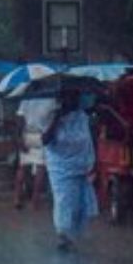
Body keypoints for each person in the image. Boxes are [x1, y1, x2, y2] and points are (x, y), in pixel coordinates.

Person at [42, 90, 98, 252]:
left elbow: (89, 139)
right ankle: (62, 234)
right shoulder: (52, 116)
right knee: (64, 199)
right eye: (69, 98)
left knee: (80, 203)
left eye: (75, 98)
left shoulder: (82, 117)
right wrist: (57, 119)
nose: (72, 102)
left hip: (80, 165)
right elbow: (45, 140)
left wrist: (93, 161)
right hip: (60, 167)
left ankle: (74, 235)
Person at [13, 97, 55, 210]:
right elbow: (54, 121)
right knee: (40, 168)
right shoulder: (52, 100)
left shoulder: (26, 99)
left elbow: (19, 119)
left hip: (27, 134)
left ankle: (17, 197)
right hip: (41, 136)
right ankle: (34, 201)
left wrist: (19, 138)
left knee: (22, 167)